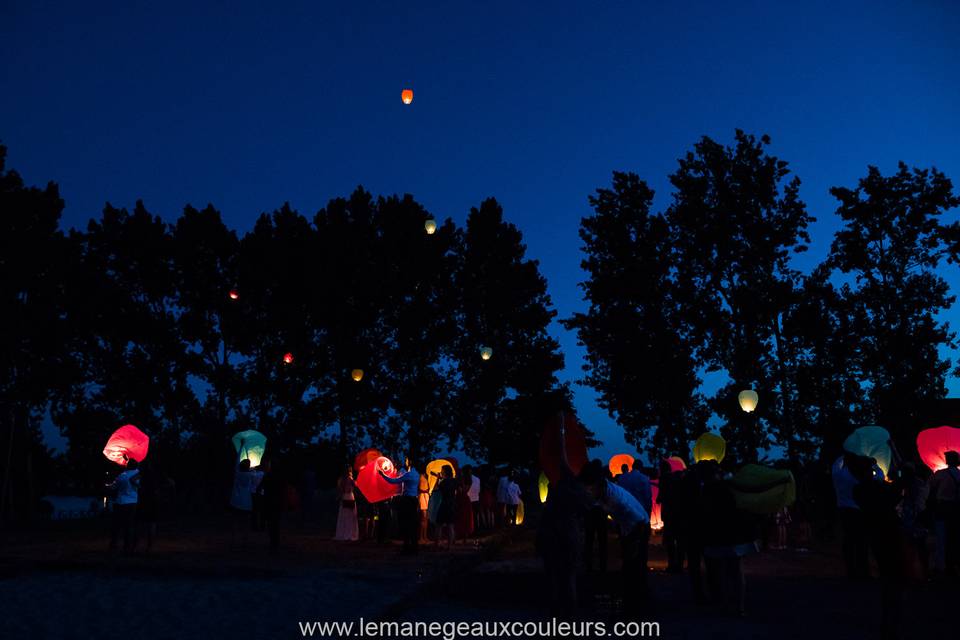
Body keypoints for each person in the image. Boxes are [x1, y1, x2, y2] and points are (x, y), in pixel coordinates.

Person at [537, 411, 591, 616]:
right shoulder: (577, 491)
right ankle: (569, 610)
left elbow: (563, 461)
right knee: (568, 576)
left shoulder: (562, 489)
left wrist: (561, 432)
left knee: (556, 575)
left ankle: (558, 609)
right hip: (568, 537)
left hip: (556, 536)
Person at [580, 459, 651, 611]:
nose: (588, 491)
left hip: (639, 528)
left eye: (589, 488)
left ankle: (637, 605)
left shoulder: (615, 498)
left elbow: (637, 521)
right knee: (630, 566)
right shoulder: (602, 493)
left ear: (597, 485)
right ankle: (634, 602)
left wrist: (632, 543)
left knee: (634, 567)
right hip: (630, 527)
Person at [700, 461, 759, 617]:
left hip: (719, 535)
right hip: (734, 534)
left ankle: (728, 604)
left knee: (723, 570)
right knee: (735, 570)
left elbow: (706, 513)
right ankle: (738, 606)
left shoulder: (708, 489)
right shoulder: (730, 486)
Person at [833, 453, 871, 578]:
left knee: (848, 540)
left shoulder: (839, 475)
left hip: (844, 510)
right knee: (861, 542)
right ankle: (863, 570)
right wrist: (874, 466)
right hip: (859, 511)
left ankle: (851, 570)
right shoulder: (859, 478)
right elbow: (880, 477)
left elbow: (836, 465)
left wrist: (844, 455)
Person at [379, 457, 421, 553]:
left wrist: (382, 475)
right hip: (414, 500)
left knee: (406, 522)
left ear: (410, 462)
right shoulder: (417, 474)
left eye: (406, 460)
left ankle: (406, 547)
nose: (405, 462)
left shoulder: (409, 474)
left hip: (407, 500)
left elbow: (394, 481)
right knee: (413, 523)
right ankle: (414, 546)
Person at [930, 450, 960, 576]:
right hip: (956, 509)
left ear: (948, 460)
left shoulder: (940, 474)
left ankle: (942, 565)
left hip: (942, 508)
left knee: (942, 536)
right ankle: (953, 563)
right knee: (954, 536)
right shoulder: (959, 474)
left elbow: (932, 488)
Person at [108, 459, 140, 552]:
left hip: (120, 502)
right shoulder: (138, 474)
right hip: (132, 502)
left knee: (117, 524)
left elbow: (113, 487)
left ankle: (114, 544)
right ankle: (127, 546)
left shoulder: (122, 476)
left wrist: (108, 486)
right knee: (129, 525)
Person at [657, 459, 685, 572]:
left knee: (670, 540)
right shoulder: (678, 478)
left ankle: (671, 564)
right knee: (680, 539)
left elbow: (660, 496)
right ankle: (680, 564)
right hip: (679, 513)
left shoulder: (664, 479)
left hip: (669, 514)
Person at [257, 458, 285, 550]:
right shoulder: (281, 476)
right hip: (278, 501)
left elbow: (260, 487)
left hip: (269, 501)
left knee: (271, 522)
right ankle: (275, 541)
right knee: (276, 522)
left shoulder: (268, 476)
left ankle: (273, 541)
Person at [229, 459, 258, 548]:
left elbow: (236, 463)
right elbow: (256, 482)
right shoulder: (251, 475)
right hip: (246, 502)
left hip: (236, 501)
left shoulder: (237, 474)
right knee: (246, 522)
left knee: (235, 521)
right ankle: (245, 541)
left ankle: (234, 540)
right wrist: (253, 470)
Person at [334, 466, 359, 541]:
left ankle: (342, 533)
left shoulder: (341, 479)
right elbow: (356, 485)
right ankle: (350, 533)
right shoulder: (350, 478)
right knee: (350, 516)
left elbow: (340, 489)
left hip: (344, 496)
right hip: (350, 496)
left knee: (343, 516)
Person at [435, 465, 457, 549]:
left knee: (438, 525)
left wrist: (438, 479)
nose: (441, 471)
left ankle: (437, 545)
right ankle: (450, 546)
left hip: (444, 504)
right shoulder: (454, 481)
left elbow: (437, 488)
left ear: (445, 472)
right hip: (452, 503)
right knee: (450, 525)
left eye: (442, 470)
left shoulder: (443, 482)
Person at [456, 469, 475, 543]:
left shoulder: (464, 481)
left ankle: (462, 536)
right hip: (463, 499)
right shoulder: (468, 480)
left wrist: (461, 483)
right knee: (464, 517)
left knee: (462, 517)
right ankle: (463, 536)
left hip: (462, 499)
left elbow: (464, 490)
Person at [466, 465, 481, 532]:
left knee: (470, 516)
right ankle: (477, 528)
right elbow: (479, 489)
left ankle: (471, 529)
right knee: (475, 515)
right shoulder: (477, 479)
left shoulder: (466, 479)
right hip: (476, 499)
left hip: (469, 499)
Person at [418, 472, 430, 543]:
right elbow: (418, 488)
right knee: (423, 518)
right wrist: (425, 491)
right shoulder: (420, 476)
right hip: (422, 497)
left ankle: (425, 536)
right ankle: (421, 537)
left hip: (426, 497)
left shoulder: (427, 477)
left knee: (426, 519)